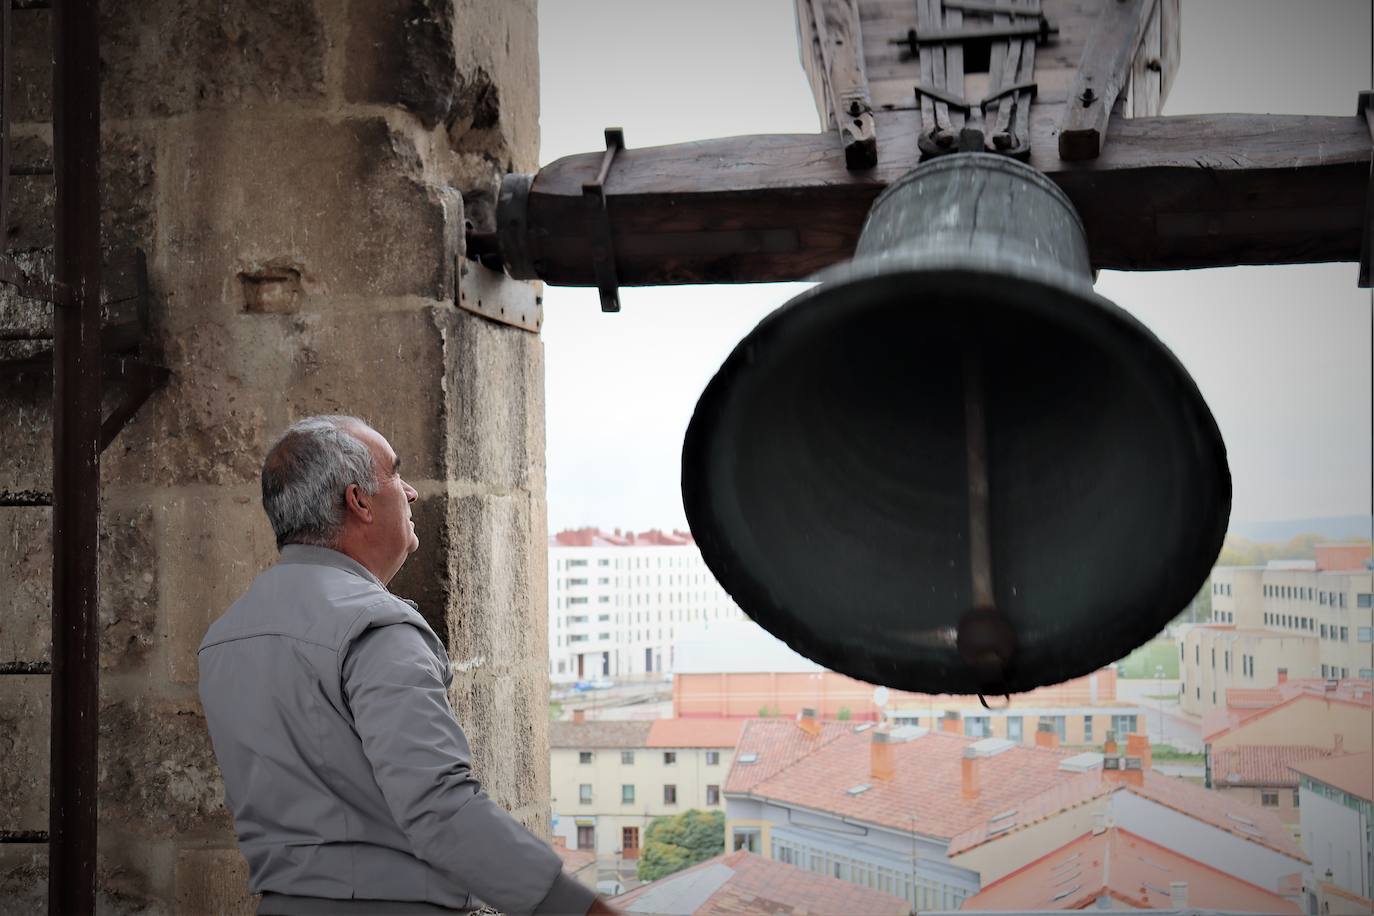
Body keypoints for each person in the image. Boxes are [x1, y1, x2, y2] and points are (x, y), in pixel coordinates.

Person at [199, 415, 617, 915]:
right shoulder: (375, 626)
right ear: (359, 501)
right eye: (396, 474)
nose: (412, 493)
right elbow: (439, 809)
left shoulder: (225, 634)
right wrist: (581, 910)